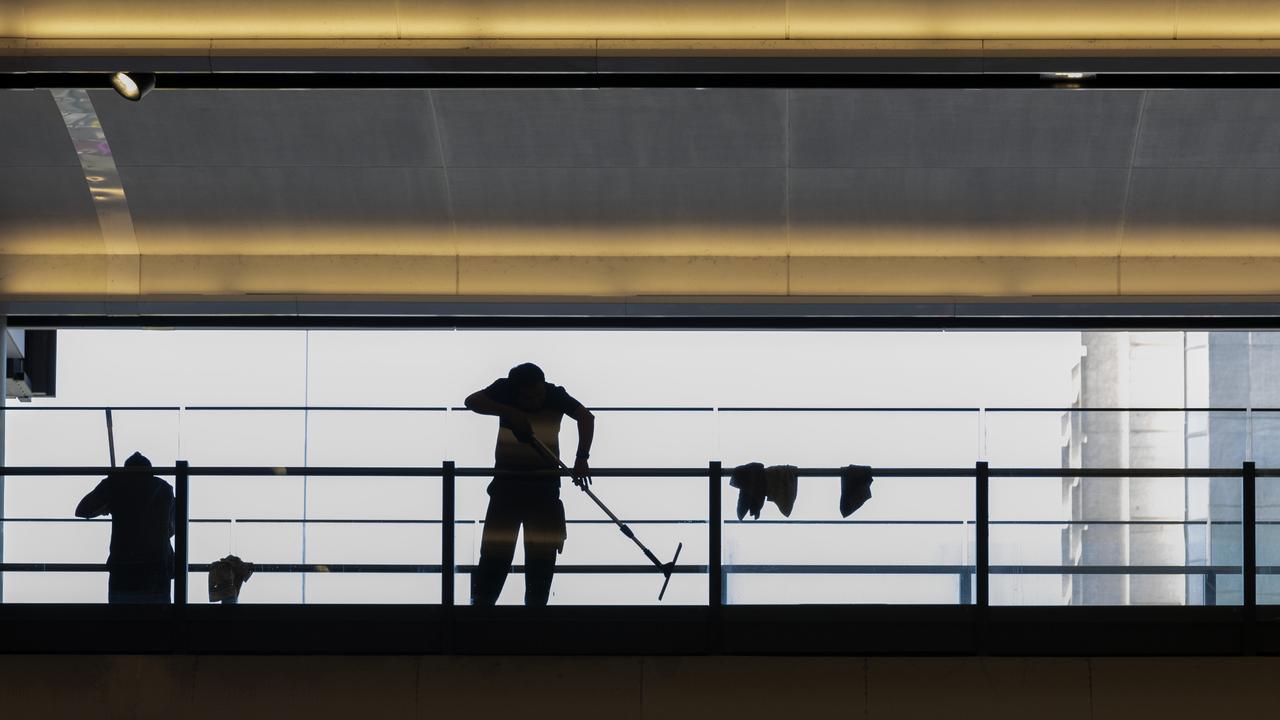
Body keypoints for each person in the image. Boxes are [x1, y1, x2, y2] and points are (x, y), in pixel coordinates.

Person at [465, 362, 594, 606]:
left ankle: (534, 620)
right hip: (507, 487)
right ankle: (480, 615)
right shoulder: (505, 391)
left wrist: (582, 458)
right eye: (528, 397)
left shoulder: (555, 394)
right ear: (516, 393)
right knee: (494, 558)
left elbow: (586, 417)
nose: (536, 400)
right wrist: (508, 411)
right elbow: (471, 401)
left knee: (541, 561)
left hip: (543, 488)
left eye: (539, 394)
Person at [75, 451, 175, 604]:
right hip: (157, 571)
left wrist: (105, 505)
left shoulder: (115, 484)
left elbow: (82, 510)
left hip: (123, 571)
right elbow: (171, 529)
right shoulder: (164, 489)